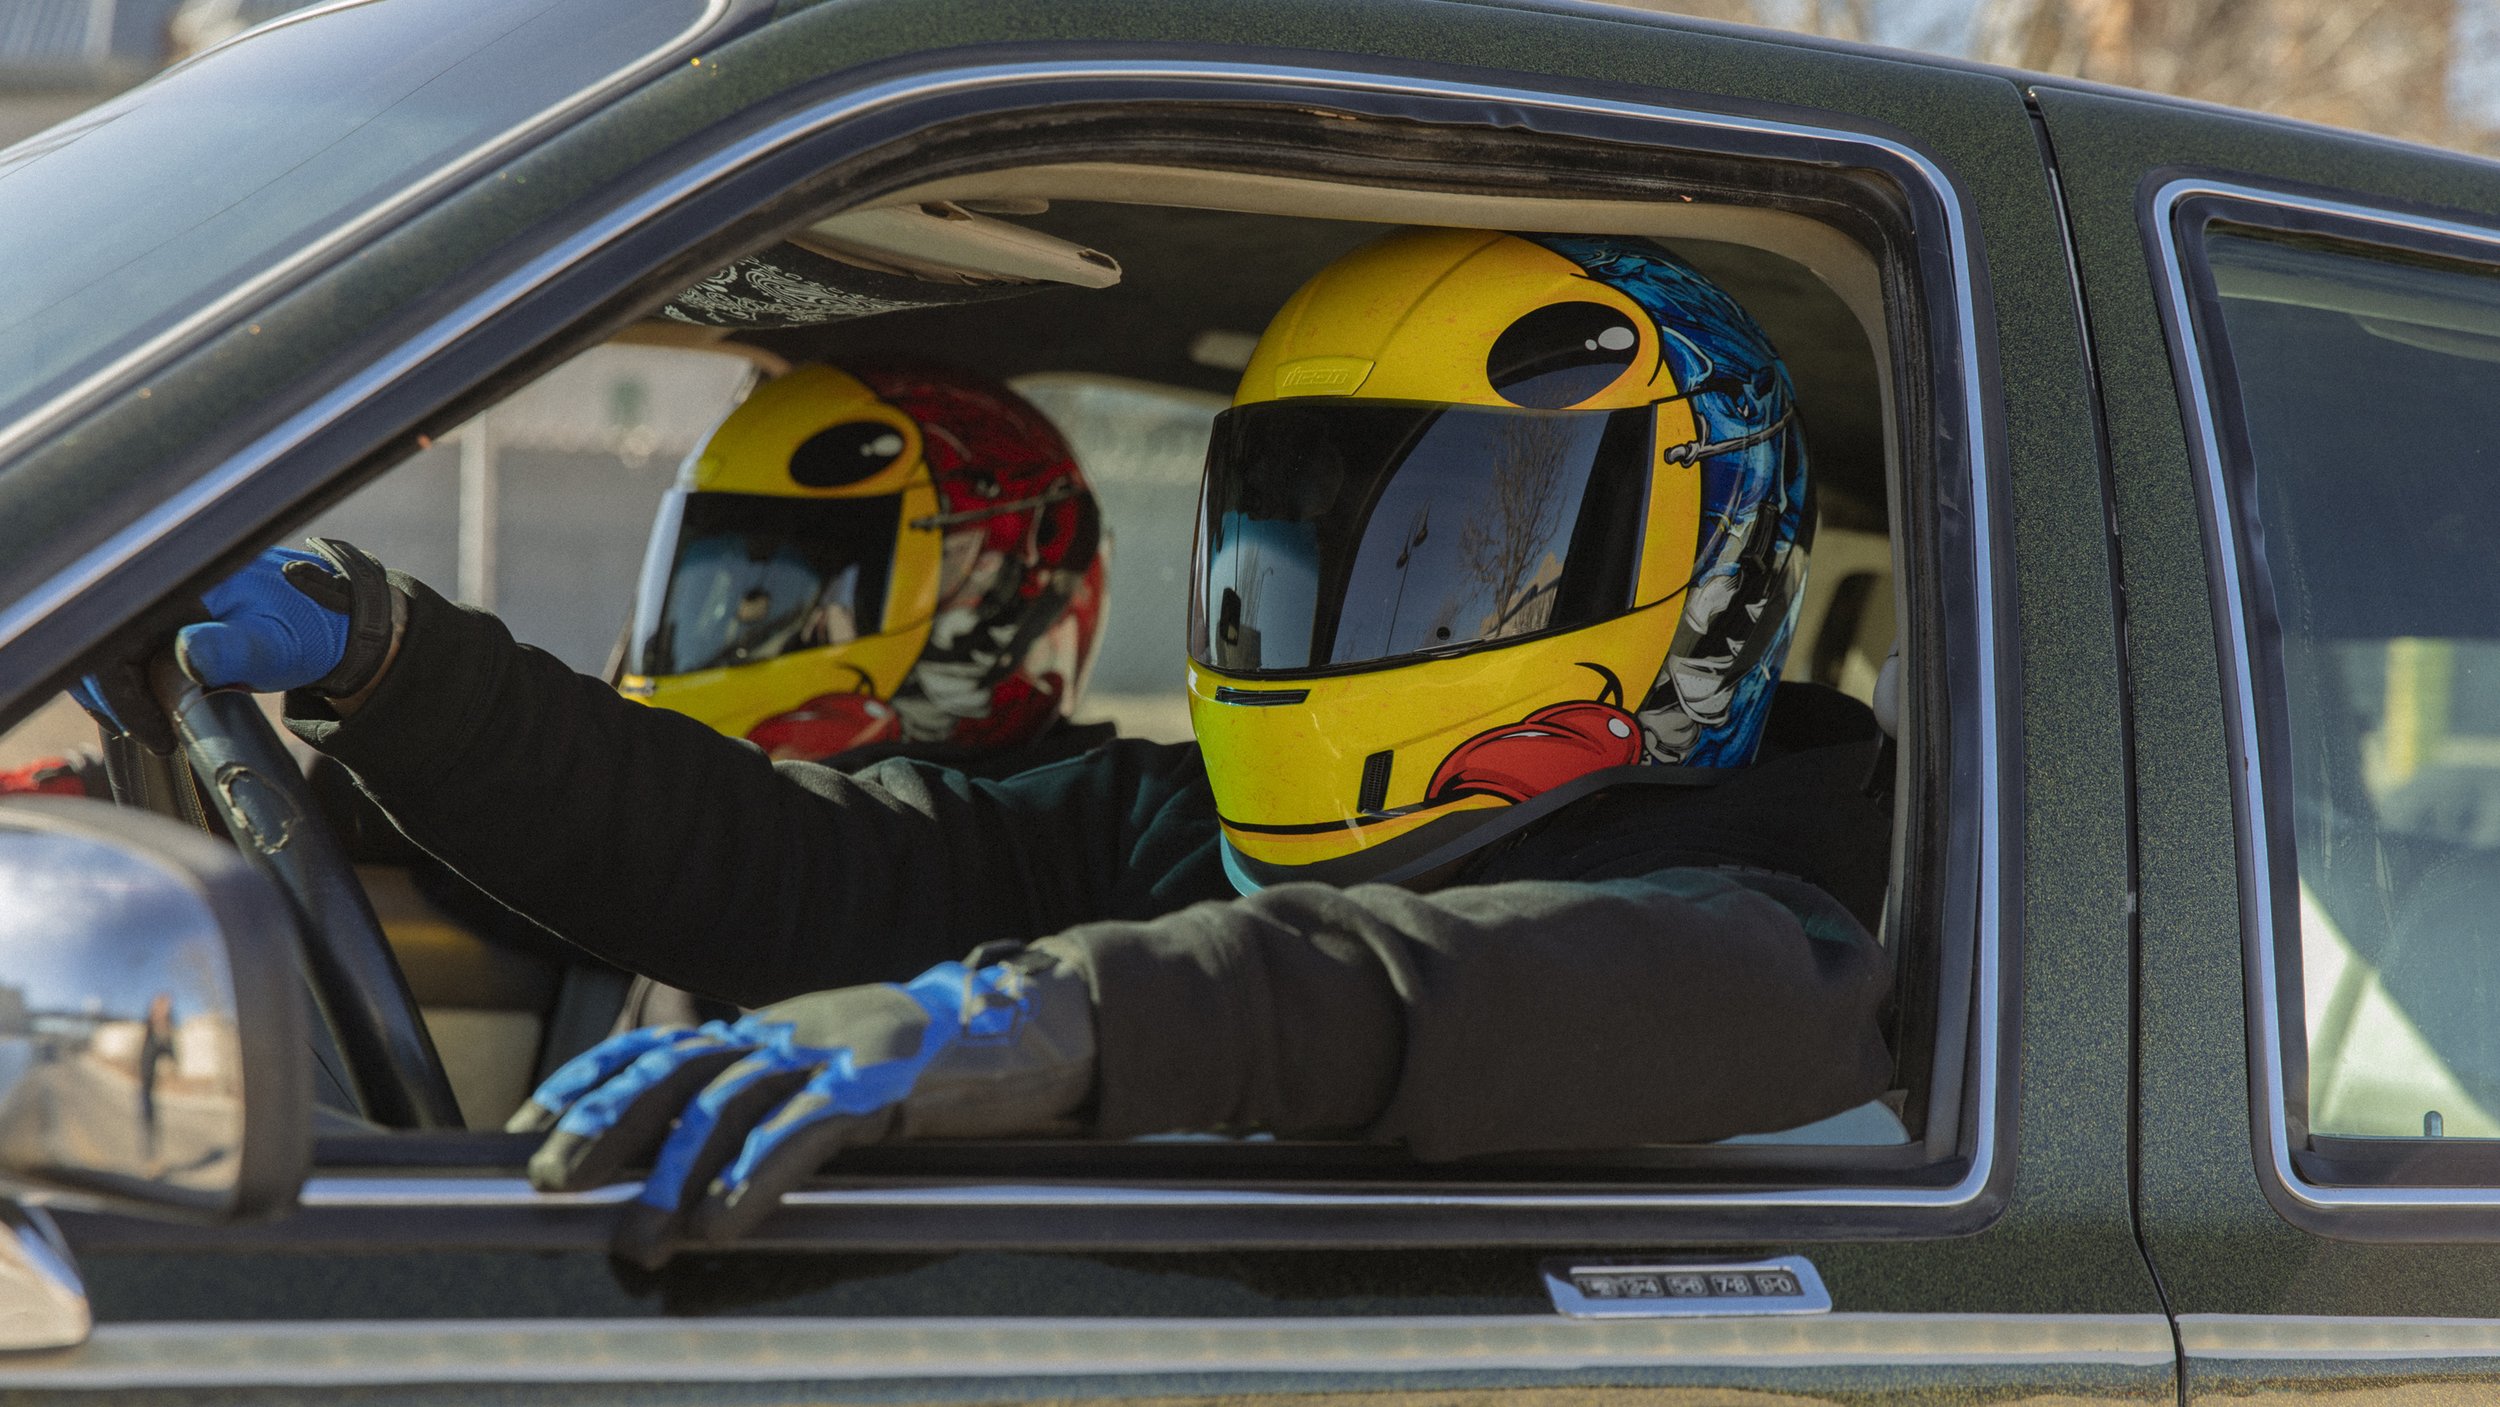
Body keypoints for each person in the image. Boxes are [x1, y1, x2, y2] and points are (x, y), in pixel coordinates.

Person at [130, 229, 1895, 1262]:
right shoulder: (1166, 826)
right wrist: (398, 666)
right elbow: (781, 860)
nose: (1354, 604)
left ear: (1694, 559)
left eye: (1449, 553)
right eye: (1305, 540)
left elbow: (1495, 986)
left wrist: (1049, 1018)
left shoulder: (1785, 918)